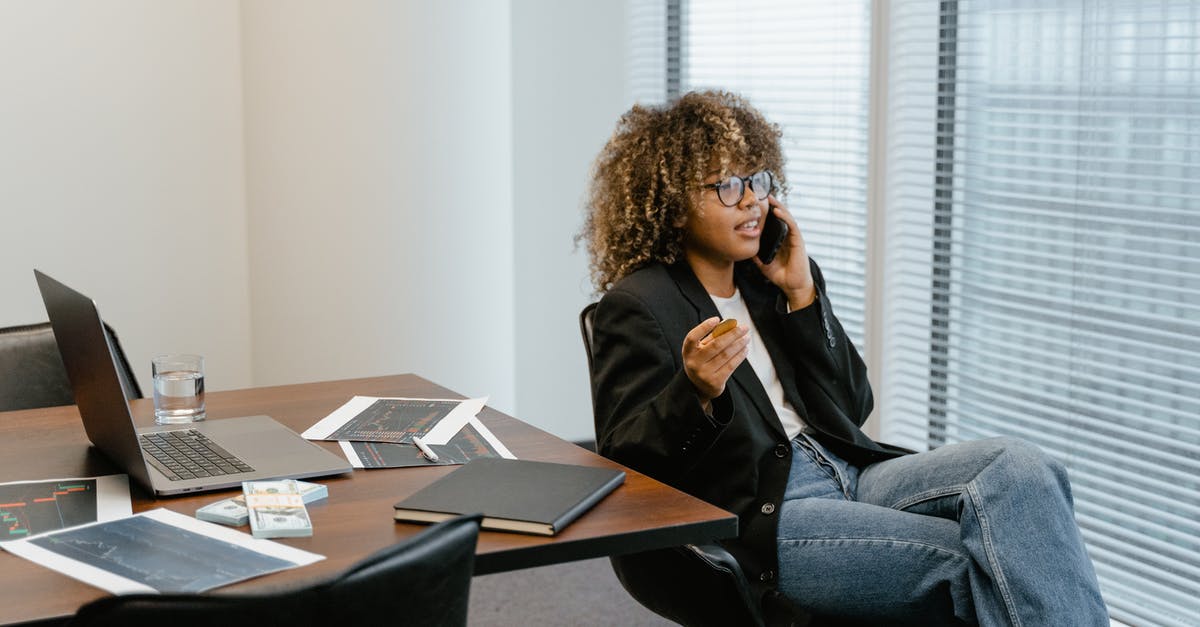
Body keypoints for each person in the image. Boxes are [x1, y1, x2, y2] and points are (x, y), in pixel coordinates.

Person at [581, 90, 1107, 626]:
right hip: (767, 513)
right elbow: (626, 461)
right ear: (672, 201)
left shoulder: (771, 283)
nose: (751, 201)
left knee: (1024, 470)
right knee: (972, 559)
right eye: (727, 186)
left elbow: (854, 404)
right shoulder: (640, 304)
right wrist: (695, 392)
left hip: (849, 471)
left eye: (758, 180)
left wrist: (804, 297)